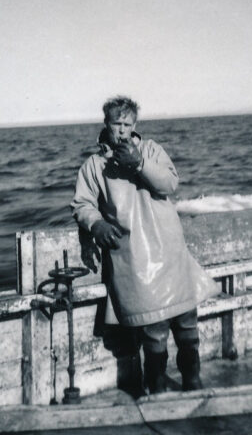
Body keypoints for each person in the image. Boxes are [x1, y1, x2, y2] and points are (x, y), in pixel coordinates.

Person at [71, 96, 219, 394]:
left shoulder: (151, 150)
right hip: (135, 260)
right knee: (154, 332)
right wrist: (96, 224)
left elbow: (170, 184)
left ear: (135, 125)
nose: (122, 130)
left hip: (171, 251)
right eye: (117, 124)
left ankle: (193, 381)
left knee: (188, 325)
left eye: (128, 124)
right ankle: (157, 387)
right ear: (106, 124)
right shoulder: (94, 165)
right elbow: (82, 204)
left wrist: (139, 163)